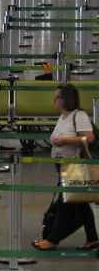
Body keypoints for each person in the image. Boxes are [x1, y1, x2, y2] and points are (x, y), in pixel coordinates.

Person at [32, 84, 98, 251]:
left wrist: (64, 141)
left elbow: (88, 138)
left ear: (66, 99)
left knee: (64, 204)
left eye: (57, 97)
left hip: (75, 166)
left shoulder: (79, 115)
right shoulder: (63, 117)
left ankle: (52, 240)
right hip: (63, 166)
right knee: (80, 203)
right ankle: (92, 239)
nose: (54, 100)